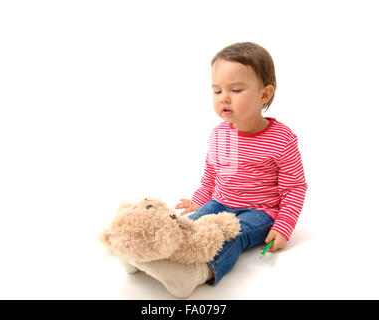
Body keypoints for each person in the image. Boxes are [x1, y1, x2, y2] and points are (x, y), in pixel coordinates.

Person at [131, 42, 308, 298]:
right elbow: (212, 175)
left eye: (236, 90)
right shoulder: (220, 134)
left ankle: (200, 272)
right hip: (221, 201)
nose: (224, 97)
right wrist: (199, 202)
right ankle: (148, 254)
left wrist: (283, 227)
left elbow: (294, 188)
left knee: (230, 235)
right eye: (217, 91)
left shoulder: (282, 139)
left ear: (264, 94)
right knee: (188, 226)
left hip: (260, 211)